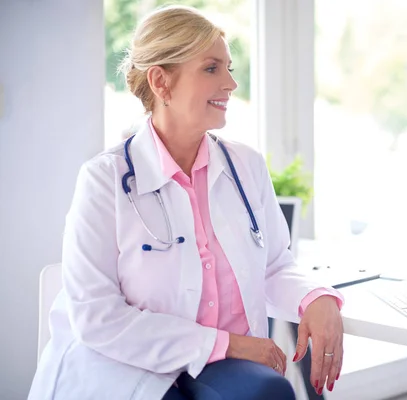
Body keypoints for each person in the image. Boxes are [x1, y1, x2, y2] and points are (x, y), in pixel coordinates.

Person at [28, 5, 344, 400]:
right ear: (161, 82)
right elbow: (96, 316)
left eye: (229, 67)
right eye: (212, 68)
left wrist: (316, 297)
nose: (230, 82)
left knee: (269, 392)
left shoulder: (244, 165)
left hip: (220, 369)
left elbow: (276, 265)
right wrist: (227, 343)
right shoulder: (104, 180)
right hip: (126, 366)